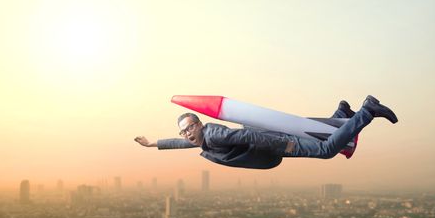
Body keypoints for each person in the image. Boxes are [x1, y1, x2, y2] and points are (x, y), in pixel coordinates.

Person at [134, 95, 397, 169]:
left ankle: (367, 112)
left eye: (190, 127)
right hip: (272, 143)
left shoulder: (216, 136)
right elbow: (183, 144)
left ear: (200, 124)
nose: (188, 134)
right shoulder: (204, 140)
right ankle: (341, 115)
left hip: (275, 144)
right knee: (306, 127)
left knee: (327, 150)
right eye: (184, 132)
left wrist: (283, 143)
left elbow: (248, 137)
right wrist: (152, 144)